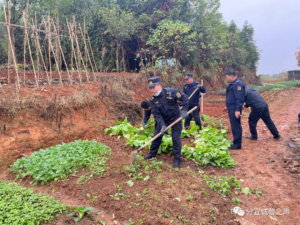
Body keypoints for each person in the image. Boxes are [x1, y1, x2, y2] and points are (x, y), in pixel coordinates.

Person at [144, 76, 189, 168]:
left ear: (159, 85)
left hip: (176, 118)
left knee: (176, 138)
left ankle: (177, 159)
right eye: (150, 88)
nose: (152, 90)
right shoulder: (153, 100)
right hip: (164, 120)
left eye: (154, 87)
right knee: (157, 135)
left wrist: (184, 110)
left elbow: (184, 98)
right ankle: (152, 153)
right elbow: (157, 115)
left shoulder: (171, 92)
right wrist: (163, 126)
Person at [223, 70, 245, 150]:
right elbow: (230, 96)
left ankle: (237, 144)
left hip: (235, 108)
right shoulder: (232, 85)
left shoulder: (238, 84)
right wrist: (226, 106)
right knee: (233, 125)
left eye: (226, 77)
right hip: (231, 107)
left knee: (236, 126)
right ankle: (236, 141)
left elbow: (239, 98)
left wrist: (237, 110)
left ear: (231, 76)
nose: (226, 79)